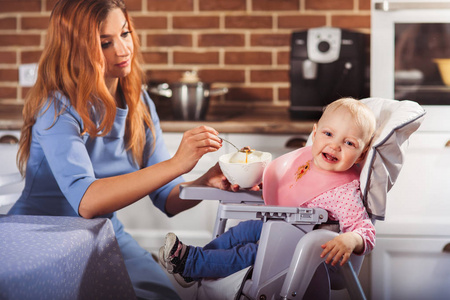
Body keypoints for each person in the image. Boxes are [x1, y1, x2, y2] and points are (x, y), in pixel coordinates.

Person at [8, 0, 242, 299]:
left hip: (103, 232)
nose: (122, 49)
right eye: (105, 43)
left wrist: (202, 182)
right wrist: (178, 163)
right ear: (75, 49)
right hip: (41, 235)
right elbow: (87, 202)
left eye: (125, 33)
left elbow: (167, 199)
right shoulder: (57, 106)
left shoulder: (139, 101)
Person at [159, 97, 377, 287]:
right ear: (315, 133)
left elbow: (365, 231)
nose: (335, 145)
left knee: (253, 252)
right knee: (241, 231)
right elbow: (291, 189)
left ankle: (194, 264)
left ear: (360, 156)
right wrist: (261, 183)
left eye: (349, 143)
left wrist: (351, 239)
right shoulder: (307, 163)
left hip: (304, 251)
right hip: (282, 227)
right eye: (328, 133)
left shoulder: (344, 191)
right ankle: (197, 263)